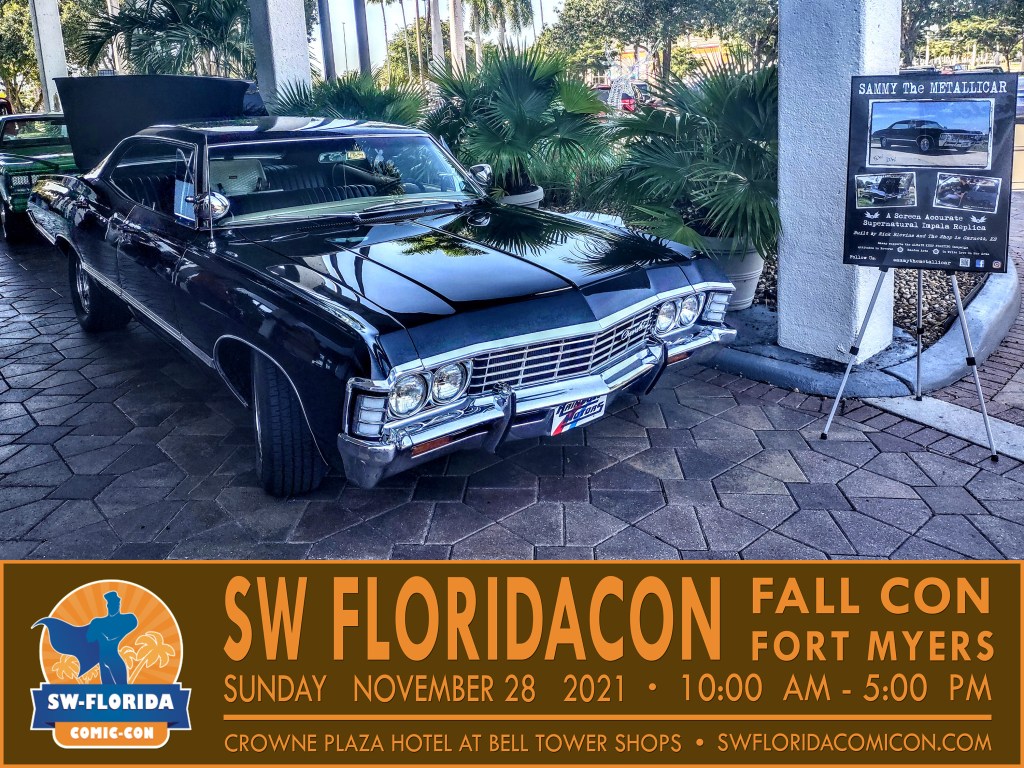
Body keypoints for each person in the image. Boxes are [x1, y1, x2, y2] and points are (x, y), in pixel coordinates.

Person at [86, 591, 138, 685]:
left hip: (114, 659)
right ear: (107, 605)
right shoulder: (98, 622)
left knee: (122, 687)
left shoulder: (126, 619)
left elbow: (131, 624)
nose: (112, 606)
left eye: (115, 604)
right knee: (107, 689)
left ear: (119, 605)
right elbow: (89, 638)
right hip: (102, 661)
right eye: (110, 604)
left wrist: (101, 633)